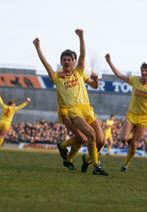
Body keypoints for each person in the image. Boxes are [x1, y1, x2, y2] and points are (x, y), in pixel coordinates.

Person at [33, 29, 108, 175]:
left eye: (69, 59)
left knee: (101, 141)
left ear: (73, 62)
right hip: (74, 111)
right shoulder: (57, 77)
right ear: (61, 62)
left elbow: (83, 54)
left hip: (88, 110)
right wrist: (38, 47)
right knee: (89, 135)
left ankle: (86, 160)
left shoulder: (79, 72)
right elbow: (45, 63)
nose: (66, 62)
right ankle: (96, 167)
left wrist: (81, 37)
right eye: (64, 60)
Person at [105, 53, 147, 172]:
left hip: (143, 118)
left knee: (135, 145)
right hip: (131, 115)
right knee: (123, 138)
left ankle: (126, 164)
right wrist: (109, 62)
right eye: (142, 71)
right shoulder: (135, 80)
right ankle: (129, 141)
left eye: (146, 71)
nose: (144, 73)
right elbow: (119, 75)